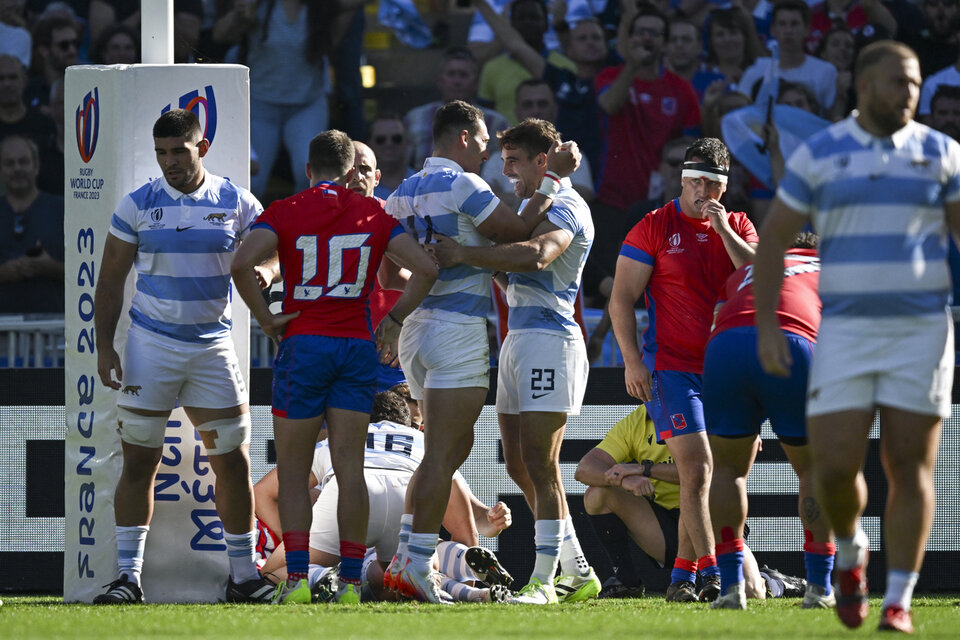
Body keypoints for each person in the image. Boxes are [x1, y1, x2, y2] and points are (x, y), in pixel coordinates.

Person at [752, 40, 960, 633]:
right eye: (898, 81)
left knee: (909, 464)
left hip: (922, 330)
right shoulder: (821, 152)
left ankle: (898, 599)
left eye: (915, 82)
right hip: (842, 330)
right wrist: (767, 323)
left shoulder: (942, 153)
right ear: (864, 86)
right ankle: (850, 549)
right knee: (835, 469)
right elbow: (773, 242)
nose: (910, 93)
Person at [383, 99, 579, 603]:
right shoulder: (462, 185)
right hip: (457, 329)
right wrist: (553, 183)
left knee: (450, 450)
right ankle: (414, 561)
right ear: (465, 137)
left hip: (417, 330)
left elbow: (389, 269)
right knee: (443, 452)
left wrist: (404, 306)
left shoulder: (401, 193)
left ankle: (409, 554)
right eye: (488, 144)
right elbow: (518, 234)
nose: (492, 157)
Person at [230, 129, 437, 604]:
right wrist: (396, 321)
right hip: (354, 348)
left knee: (295, 468)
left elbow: (241, 263)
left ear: (308, 170)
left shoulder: (285, 210)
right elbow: (425, 269)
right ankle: (347, 583)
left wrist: (265, 318)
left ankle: (300, 581)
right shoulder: (372, 212)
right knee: (348, 469)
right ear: (350, 173)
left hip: (303, 346)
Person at [92, 109, 274, 605]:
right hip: (152, 348)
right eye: (162, 153)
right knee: (139, 463)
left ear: (203, 147)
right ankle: (128, 578)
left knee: (233, 463)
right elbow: (108, 280)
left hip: (213, 348)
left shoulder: (237, 200)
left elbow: (272, 245)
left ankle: (243, 576)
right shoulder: (137, 204)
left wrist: (271, 271)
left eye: (179, 151)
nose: (170, 162)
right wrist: (104, 345)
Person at [431, 117, 598, 605]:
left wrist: (464, 253)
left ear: (542, 162)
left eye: (514, 162)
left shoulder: (566, 205)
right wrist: (489, 264)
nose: (507, 174)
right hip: (518, 339)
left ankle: (544, 582)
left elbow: (538, 256)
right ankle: (577, 568)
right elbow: (514, 271)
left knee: (542, 466)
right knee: (519, 464)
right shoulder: (532, 204)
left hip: (551, 340)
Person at [608, 137, 758, 602]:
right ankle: (714, 573)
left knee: (724, 476)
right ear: (681, 180)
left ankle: (681, 577)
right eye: (693, 181)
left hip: (730, 369)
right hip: (671, 369)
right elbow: (621, 299)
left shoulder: (739, 225)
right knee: (697, 470)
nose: (700, 191)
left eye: (710, 184)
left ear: (723, 188)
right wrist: (633, 361)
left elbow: (760, 276)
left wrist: (724, 231)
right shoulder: (654, 226)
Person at [703, 232, 835, 610]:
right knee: (813, 470)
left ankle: (731, 588)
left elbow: (720, 313)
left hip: (725, 345)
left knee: (727, 471)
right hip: (789, 340)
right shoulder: (830, 267)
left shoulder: (748, 267)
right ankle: (820, 588)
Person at [574, 405, 776, 601]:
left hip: (711, 522)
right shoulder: (638, 420)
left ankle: (774, 581)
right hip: (665, 529)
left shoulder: (705, 412)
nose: (650, 387)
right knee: (598, 493)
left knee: (750, 591)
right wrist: (623, 479)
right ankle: (627, 581)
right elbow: (584, 469)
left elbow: (707, 472)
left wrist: (644, 469)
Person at [590, 3, 700, 314]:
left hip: (660, 204)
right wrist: (631, 66)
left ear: (665, 42)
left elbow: (691, 143)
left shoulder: (681, 90)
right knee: (614, 286)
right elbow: (610, 105)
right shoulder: (611, 76)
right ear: (630, 38)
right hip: (612, 199)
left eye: (654, 33)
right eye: (640, 33)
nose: (646, 39)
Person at [403, 47, 510, 170]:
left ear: (476, 82)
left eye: (463, 75)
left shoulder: (497, 123)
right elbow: (403, 166)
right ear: (439, 80)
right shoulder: (415, 118)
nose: (457, 81)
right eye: (451, 74)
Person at [477, 0, 577, 125]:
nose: (527, 22)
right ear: (511, 26)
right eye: (521, 18)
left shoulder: (565, 66)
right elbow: (486, 117)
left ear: (546, 24)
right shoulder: (491, 68)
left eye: (534, 17)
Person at [738, 1, 838, 118]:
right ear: (772, 30)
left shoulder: (826, 71)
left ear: (807, 30)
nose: (788, 31)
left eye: (794, 24)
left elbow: (830, 118)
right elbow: (741, 114)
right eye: (782, 24)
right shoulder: (755, 72)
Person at [0, 134, 64, 314]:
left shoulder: (63, 211)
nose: (17, 168)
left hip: (53, 329)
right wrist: (5, 273)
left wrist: (50, 268)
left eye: (23, 161)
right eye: (9, 163)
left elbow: (88, 274)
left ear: (37, 166)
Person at [367, 113, 416, 200]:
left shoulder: (423, 184)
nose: (389, 144)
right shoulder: (360, 190)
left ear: (407, 142)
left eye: (396, 139)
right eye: (380, 139)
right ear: (370, 144)